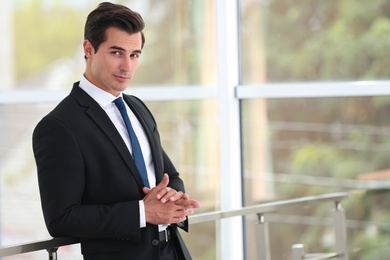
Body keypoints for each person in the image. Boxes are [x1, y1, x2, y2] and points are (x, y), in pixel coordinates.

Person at [32, 2, 200, 260]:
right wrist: (144, 213)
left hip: (173, 253)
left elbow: (170, 175)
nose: (127, 67)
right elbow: (61, 218)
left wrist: (172, 195)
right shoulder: (58, 127)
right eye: (116, 53)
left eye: (134, 55)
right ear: (89, 49)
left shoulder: (137, 108)